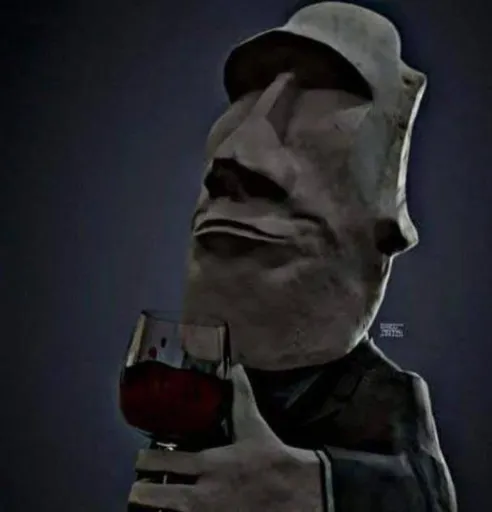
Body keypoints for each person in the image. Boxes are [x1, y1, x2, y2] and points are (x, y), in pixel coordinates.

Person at [128, 2, 457, 510]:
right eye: (247, 96)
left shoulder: (373, 395)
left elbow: (425, 496)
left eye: (325, 95)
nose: (236, 155)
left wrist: (318, 488)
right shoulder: (197, 391)